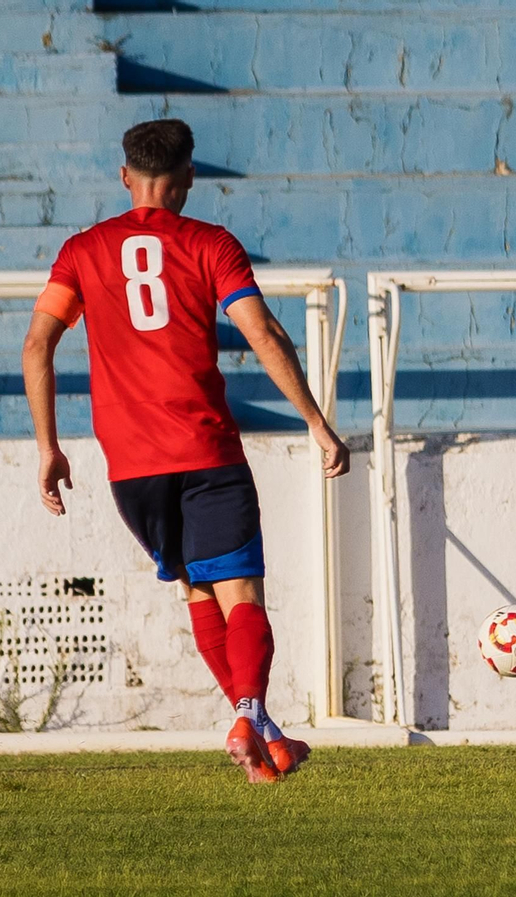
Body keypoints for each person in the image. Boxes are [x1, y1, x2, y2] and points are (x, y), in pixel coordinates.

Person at [21, 118, 350, 784]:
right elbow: (261, 330)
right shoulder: (211, 244)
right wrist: (315, 421)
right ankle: (251, 714)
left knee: (200, 590)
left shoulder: (83, 250)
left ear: (125, 177)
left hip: (131, 470)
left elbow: (37, 344)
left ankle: (263, 743)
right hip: (204, 451)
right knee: (242, 592)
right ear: (189, 177)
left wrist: (49, 448)